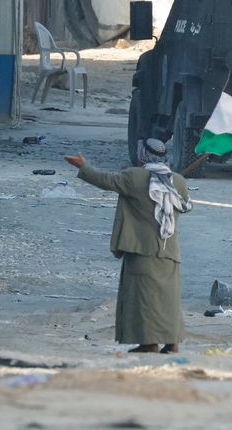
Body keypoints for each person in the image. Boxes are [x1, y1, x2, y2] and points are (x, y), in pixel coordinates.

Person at [64, 138, 192, 354]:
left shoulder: (134, 177)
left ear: (142, 155)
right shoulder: (177, 181)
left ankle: (149, 343)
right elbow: (185, 204)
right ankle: (172, 344)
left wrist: (83, 166)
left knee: (144, 299)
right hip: (168, 249)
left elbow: (105, 180)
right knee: (168, 299)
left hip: (141, 249)